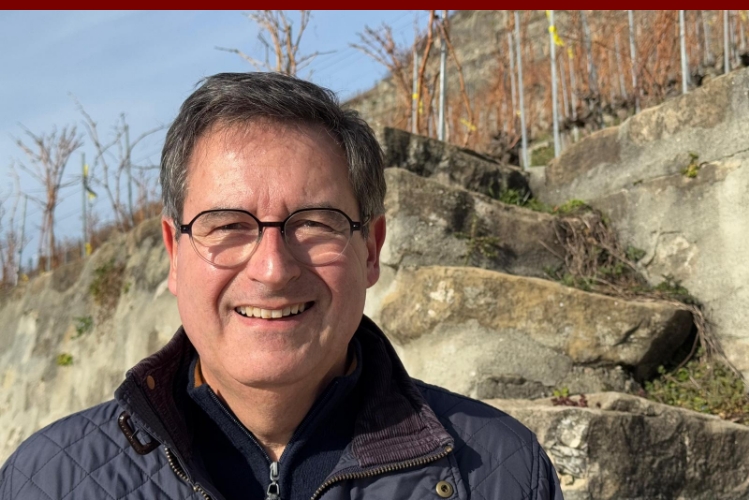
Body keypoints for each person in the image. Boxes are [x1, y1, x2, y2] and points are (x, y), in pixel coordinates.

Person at [0, 72, 563, 500]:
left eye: (315, 223)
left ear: (371, 249)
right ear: (174, 253)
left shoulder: (503, 471)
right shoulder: (47, 480)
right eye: (227, 225)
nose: (272, 268)